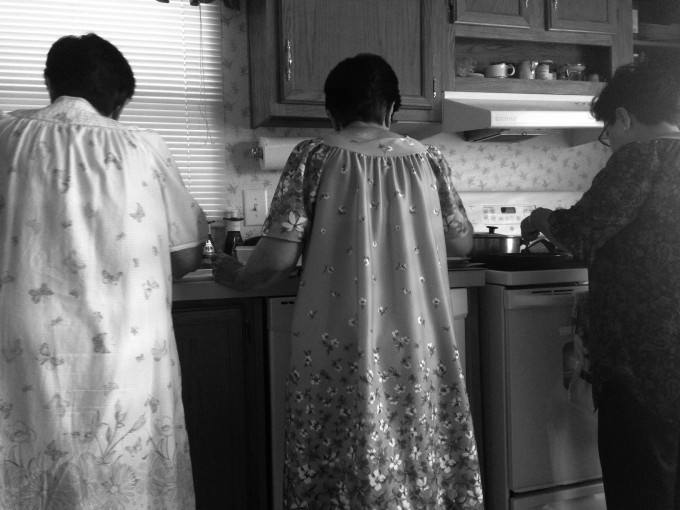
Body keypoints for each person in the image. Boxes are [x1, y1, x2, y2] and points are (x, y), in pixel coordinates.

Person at [213, 53, 483, 509]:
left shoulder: (314, 156)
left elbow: (276, 258)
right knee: (414, 437)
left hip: (339, 338)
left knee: (344, 449)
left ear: (331, 110)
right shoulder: (430, 160)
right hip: (418, 340)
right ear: (392, 109)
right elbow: (462, 245)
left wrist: (236, 275)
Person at [0, 33, 207, 509]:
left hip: (24, 344)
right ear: (118, 100)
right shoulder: (143, 146)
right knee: (122, 472)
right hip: (127, 348)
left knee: (27, 458)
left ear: (50, 82)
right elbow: (185, 256)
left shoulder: (6, 136)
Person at [520, 61, 680, 510]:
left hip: (642, 359)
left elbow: (582, 231)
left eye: (609, 132)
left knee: (641, 485)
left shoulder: (641, 157)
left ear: (625, 118)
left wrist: (541, 219)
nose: (610, 146)